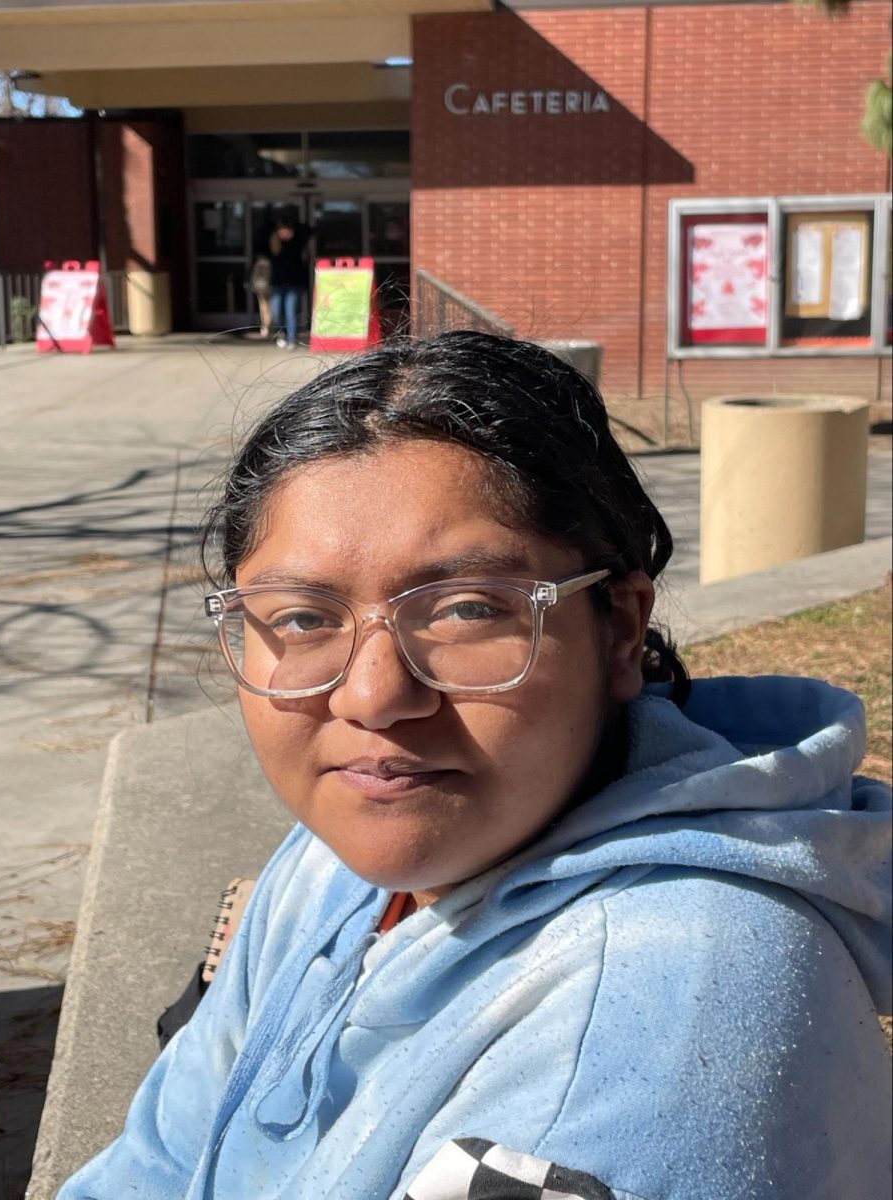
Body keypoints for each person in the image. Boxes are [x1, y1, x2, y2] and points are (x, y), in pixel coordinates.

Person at [58, 332, 891, 1200]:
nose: (373, 698)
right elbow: (155, 1161)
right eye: (302, 618)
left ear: (619, 628)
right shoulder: (334, 865)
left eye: (464, 609)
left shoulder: (653, 1025)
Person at [268, 214, 310, 348]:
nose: (284, 233)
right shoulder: (273, 244)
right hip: (277, 283)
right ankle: (282, 333)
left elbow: (309, 230)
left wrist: (296, 227)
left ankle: (292, 339)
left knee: (290, 311)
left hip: (293, 284)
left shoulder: (297, 242)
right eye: (282, 230)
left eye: (287, 230)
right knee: (276, 312)